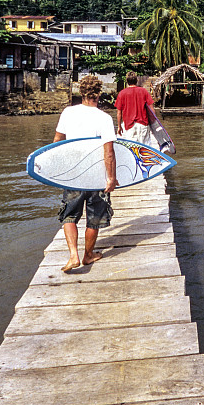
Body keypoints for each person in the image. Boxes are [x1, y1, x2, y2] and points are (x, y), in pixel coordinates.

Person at [53, 74, 118, 273]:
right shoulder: (104, 118)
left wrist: (59, 169)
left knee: (69, 215)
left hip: (74, 175)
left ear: (80, 93)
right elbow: (109, 152)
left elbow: (57, 142)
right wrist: (111, 178)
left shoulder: (68, 112)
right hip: (96, 177)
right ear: (99, 94)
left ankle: (73, 255)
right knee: (94, 218)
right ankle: (88, 255)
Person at [115, 71, 155, 146]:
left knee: (131, 148)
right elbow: (152, 110)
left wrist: (119, 127)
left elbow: (119, 113)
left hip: (129, 126)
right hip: (143, 124)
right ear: (136, 80)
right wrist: (153, 124)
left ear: (127, 81)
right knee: (144, 148)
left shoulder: (122, 93)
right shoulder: (144, 91)